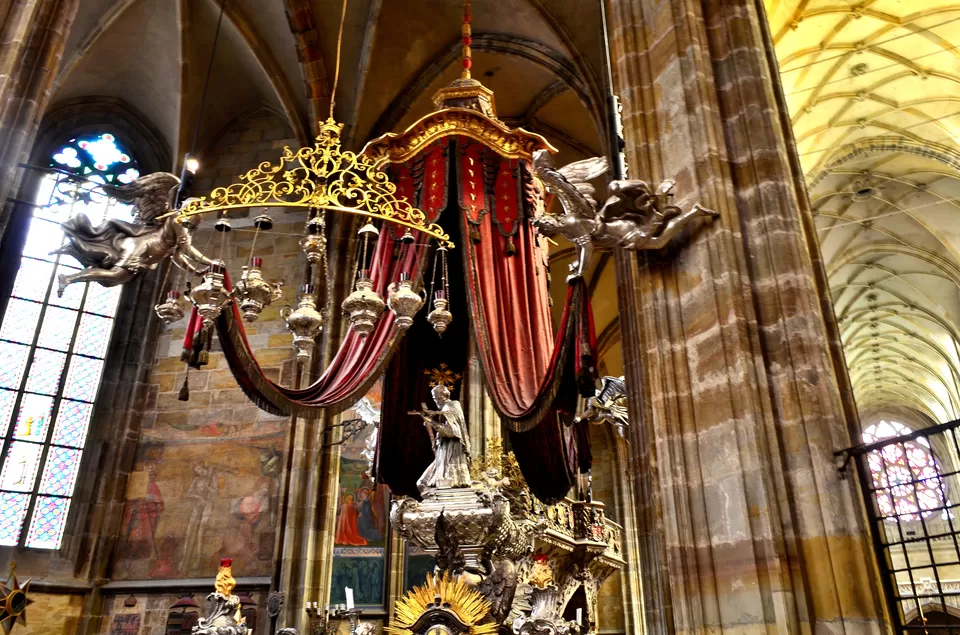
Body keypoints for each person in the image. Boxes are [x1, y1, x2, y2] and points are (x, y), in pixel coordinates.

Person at [416, 384, 471, 492]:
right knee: (423, 484)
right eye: (434, 398)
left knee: (424, 484)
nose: (436, 401)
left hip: (450, 456)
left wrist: (432, 422)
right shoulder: (446, 409)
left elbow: (451, 432)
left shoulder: (452, 405)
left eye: (436, 398)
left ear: (442, 396)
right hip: (443, 455)